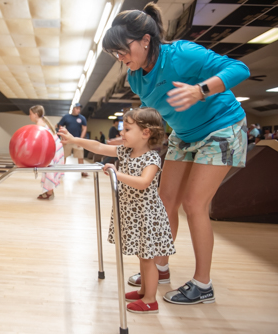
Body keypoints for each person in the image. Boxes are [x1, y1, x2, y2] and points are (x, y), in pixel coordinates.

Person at [102, 2, 250, 305]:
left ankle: (203, 284)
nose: (120, 58)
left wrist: (200, 90)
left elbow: (240, 68)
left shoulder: (182, 54)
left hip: (222, 127)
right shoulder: (135, 78)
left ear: (146, 40)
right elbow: (160, 114)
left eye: (123, 50)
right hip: (184, 136)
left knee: (194, 203)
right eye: (115, 54)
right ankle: (160, 267)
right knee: (164, 200)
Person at [58, 107, 176, 314]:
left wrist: (116, 173)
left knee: (148, 259)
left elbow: (143, 182)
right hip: (133, 213)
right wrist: (74, 139)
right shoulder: (125, 151)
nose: (122, 133)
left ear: (145, 133)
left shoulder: (151, 159)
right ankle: (142, 290)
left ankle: (150, 300)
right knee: (142, 256)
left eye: (127, 129)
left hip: (147, 216)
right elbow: (98, 146)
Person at [29, 105, 64, 200]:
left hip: (53, 148)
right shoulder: (43, 122)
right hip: (55, 147)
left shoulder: (39, 125)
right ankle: (49, 192)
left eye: (30, 114)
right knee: (49, 169)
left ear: (36, 114)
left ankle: (49, 193)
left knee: (48, 169)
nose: (29, 116)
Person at [57, 103, 88, 176]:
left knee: (80, 156)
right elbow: (60, 125)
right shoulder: (66, 117)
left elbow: (84, 128)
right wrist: (63, 135)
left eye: (79, 108)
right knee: (64, 156)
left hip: (77, 140)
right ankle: (61, 171)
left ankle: (83, 171)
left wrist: (81, 139)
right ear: (73, 109)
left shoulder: (82, 118)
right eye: (77, 108)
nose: (78, 110)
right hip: (67, 140)